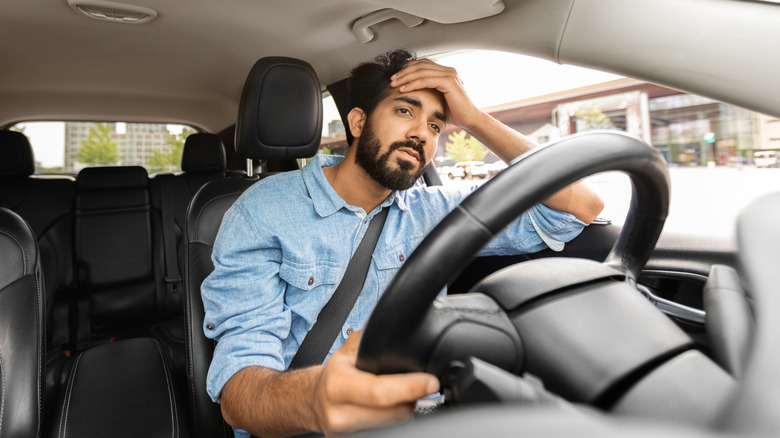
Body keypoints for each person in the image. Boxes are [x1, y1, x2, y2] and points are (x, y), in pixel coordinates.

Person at [201, 49, 604, 438]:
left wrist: (475, 119)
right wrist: (316, 397)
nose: (420, 134)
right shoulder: (263, 211)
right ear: (357, 123)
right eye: (405, 111)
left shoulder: (436, 211)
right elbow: (240, 394)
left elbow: (578, 206)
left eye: (435, 125)